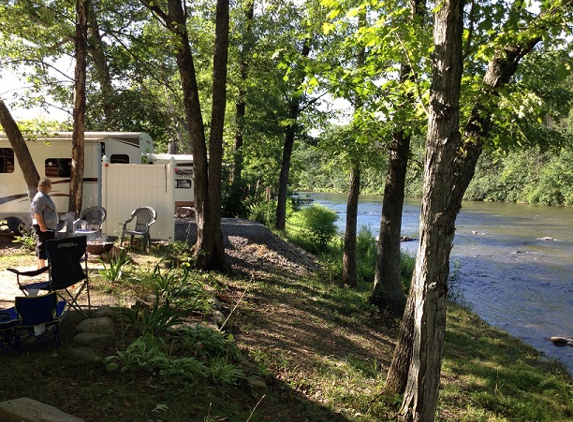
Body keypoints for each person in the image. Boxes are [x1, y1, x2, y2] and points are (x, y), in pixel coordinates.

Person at [31, 178, 58, 268]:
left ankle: (40, 266)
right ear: (47, 186)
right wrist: (42, 225)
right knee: (42, 245)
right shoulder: (40, 197)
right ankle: (42, 267)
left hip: (49, 226)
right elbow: (37, 212)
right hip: (43, 226)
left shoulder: (44, 196)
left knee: (45, 244)